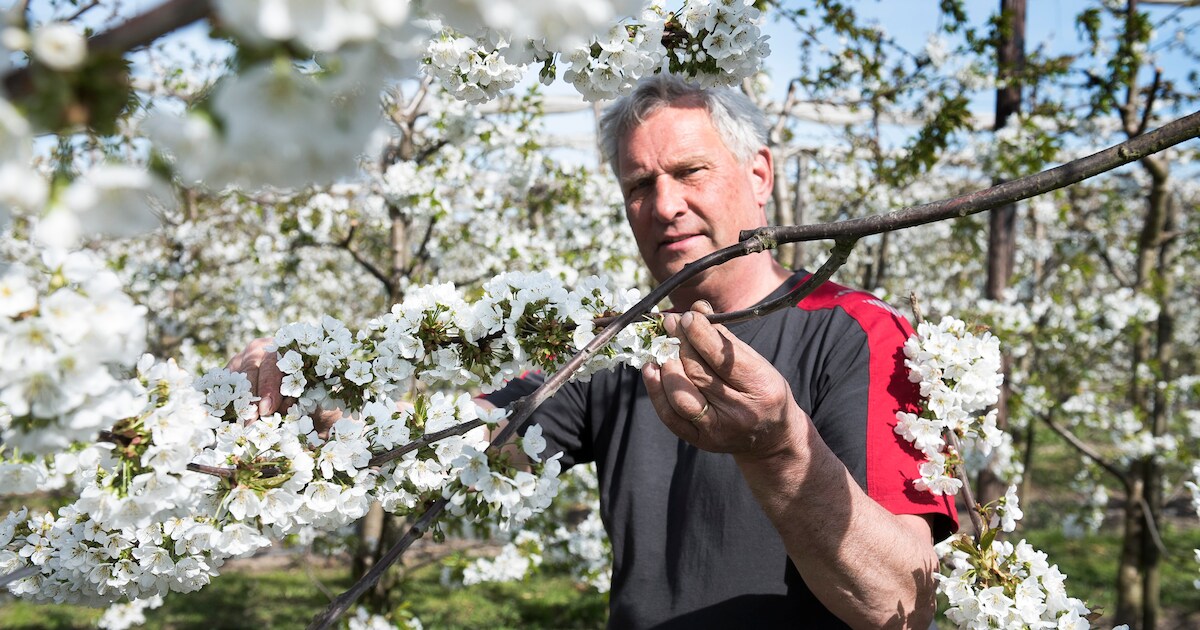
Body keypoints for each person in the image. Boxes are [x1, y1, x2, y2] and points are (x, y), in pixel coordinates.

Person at [231, 74, 956, 628]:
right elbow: (466, 438)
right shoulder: (616, 345)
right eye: (639, 184)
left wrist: (779, 450)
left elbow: (899, 603)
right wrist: (315, 394)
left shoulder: (862, 333)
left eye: (690, 172)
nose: (664, 206)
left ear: (759, 175)